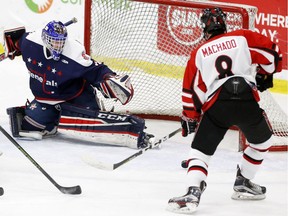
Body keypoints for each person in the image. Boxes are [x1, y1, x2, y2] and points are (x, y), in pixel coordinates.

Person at [167, 7, 282, 214]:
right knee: (263, 142)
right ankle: (244, 181)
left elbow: (192, 91)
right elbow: (272, 55)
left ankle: (193, 190)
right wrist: (266, 73)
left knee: (200, 152)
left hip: (217, 106)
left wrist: (191, 117)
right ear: (224, 24)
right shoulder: (242, 37)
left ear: (205, 27)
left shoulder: (199, 52)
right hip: (246, 102)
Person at [4, 20, 154, 149]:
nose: (58, 45)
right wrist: (6, 49)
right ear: (45, 39)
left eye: (61, 42)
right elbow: (13, 40)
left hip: (74, 94)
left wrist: (109, 77)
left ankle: (83, 109)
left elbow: (96, 69)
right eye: (54, 41)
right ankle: (54, 120)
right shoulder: (30, 43)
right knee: (28, 127)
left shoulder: (74, 52)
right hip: (46, 99)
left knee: (93, 123)